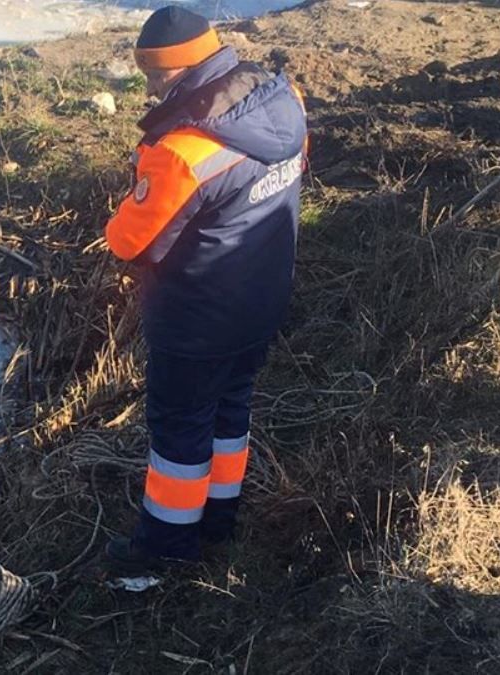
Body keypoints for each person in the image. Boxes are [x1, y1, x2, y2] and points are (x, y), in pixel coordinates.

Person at [103, 6, 308, 571]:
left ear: (180, 69)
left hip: (196, 321)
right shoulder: (284, 101)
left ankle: (164, 552)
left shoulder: (182, 151)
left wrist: (137, 189)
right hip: (263, 301)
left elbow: (129, 241)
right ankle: (219, 521)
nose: (149, 88)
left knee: (180, 434)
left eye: (154, 75)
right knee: (230, 410)